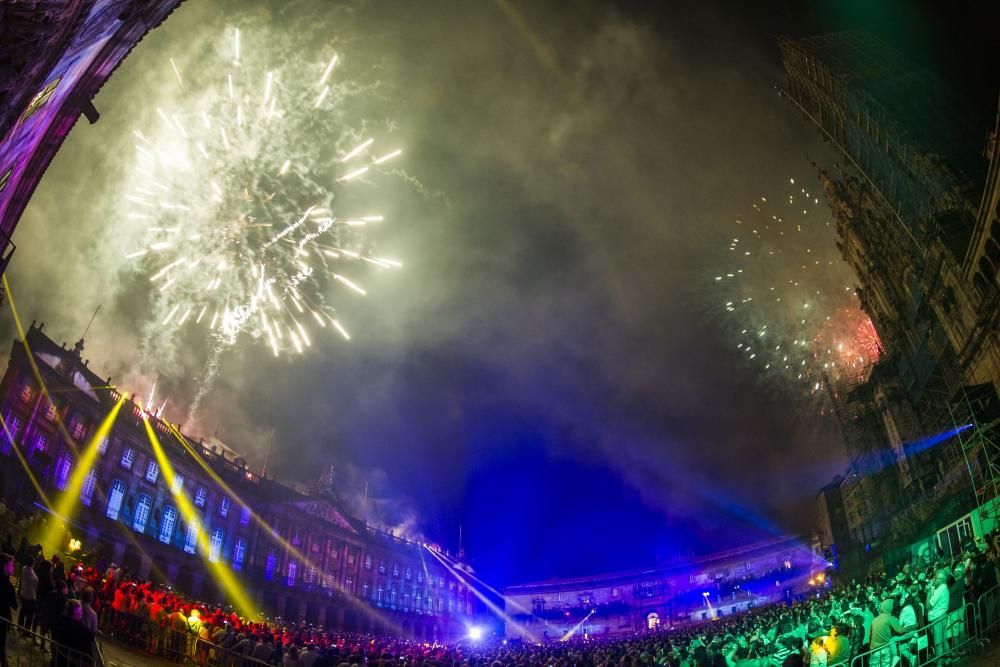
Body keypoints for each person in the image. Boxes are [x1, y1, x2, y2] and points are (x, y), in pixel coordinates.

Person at [50, 599, 93, 667]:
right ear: (75, 612)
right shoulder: (83, 629)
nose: (82, 612)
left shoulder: (60, 621)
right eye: (80, 610)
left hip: (59, 659)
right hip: (73, 662)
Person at [0, 554, 18, 667]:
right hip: (2, 619)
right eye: (11, 565)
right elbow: (15, 605)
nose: (13, 568)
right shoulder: (8, 586)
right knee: (1, 645)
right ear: (5, 566)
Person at [928, 569, 950, 660]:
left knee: (938, 643)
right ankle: (948, 659)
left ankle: (939, 664)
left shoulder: (940, 589)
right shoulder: (943, 588)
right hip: (942, 616)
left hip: (938, 618)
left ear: (941, 579)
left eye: (935, 578)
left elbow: (927, 605)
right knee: (943, 640)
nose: (933, 580)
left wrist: (929, 591)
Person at [17, 557, 36, 633]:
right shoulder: (30, 572)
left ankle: (20, 627)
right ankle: (26, 631)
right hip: (30, 596)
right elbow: (34, 582)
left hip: (24, 593)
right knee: (30, 615)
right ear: (32, 563)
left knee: (23, 611)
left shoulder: (24, 568)